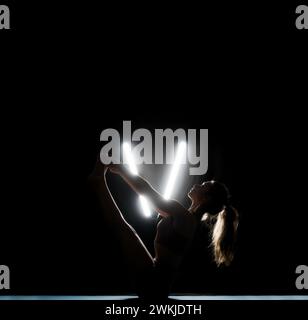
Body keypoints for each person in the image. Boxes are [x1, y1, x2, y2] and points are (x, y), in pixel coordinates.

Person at [88, 158, 239, 300]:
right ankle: (99, 183)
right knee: (124, 228)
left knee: (123, 227)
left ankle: (99, 183)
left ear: (206, 198)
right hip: (156, 283)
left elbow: (147, 191)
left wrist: (122, 169)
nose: (197, 184)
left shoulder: (184, 217)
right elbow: (151, 197)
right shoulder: (185, 217)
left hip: (153, 284)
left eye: (203, 186)